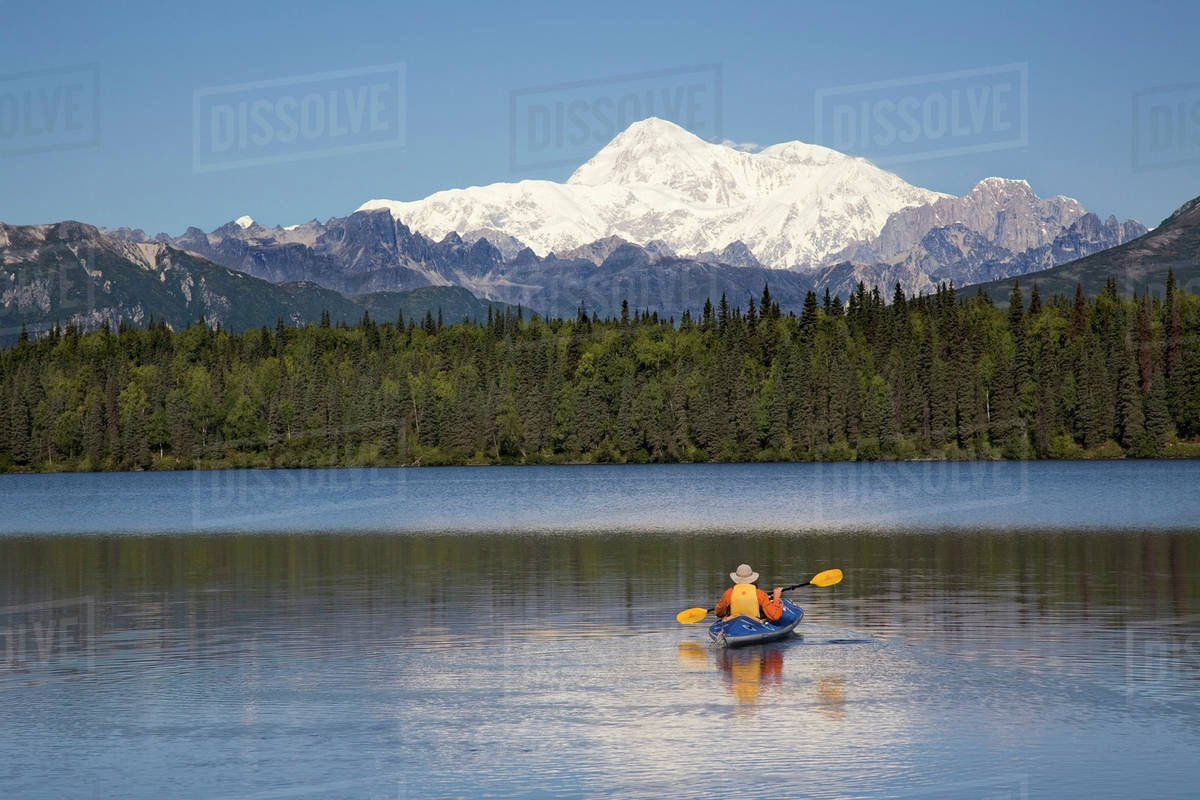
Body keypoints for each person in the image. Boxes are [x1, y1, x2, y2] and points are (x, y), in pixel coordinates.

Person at [714, 564, 783, 621]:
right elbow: (775, 616)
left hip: (733, 621)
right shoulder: (760, 594)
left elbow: (719, 613)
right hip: (754, 623)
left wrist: (720, 607)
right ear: (752, 579)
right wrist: (776, 598)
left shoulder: (728, 593)